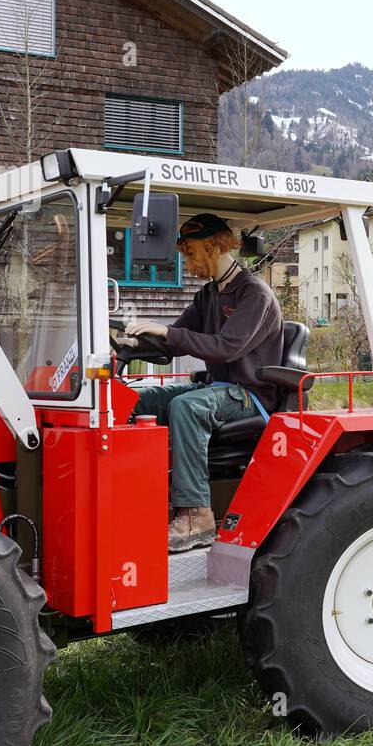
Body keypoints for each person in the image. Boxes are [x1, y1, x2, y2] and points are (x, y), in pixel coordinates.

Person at [124, 214, 284, 552]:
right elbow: (175, 341)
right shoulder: (208, 294)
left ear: (214, 247)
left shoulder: (255, 294)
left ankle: (196, 515)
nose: (189, 262)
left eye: (192, 253)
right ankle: (131, 495)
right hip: (217, 389)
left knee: (185, 407)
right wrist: (133, 343)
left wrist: (165, 331)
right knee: (142, 399)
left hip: (249, 394)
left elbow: (226, 348)